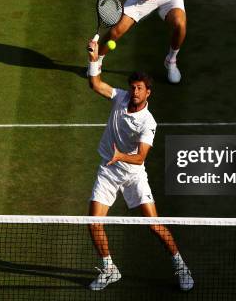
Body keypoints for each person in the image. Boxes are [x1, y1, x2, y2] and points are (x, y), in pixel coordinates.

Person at [85, 37, 194, 291]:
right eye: (132, 87)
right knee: (93, 222)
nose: (134, 91)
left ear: (148, 93)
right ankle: (110, 268)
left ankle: (180, 265)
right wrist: (93, 60)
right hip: (108, 170)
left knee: (154, 225)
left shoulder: (148, 122)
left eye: (139, 88)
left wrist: (120, 156)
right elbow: (96, 84)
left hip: (133, 174)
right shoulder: (120, 98)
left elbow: (141, 157)